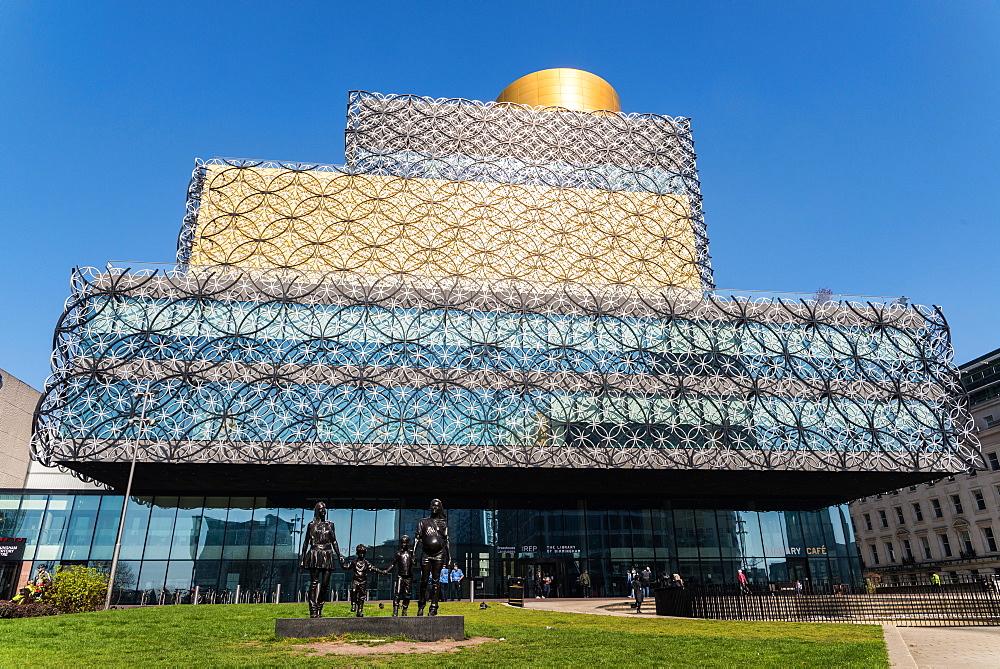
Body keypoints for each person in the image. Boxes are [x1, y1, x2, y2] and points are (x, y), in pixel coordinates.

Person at [299, 501, 344, 618]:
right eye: (321, 509)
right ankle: (313, 609)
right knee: (314, 583)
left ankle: (320, 607)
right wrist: (302, 558)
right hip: (315, 553)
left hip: (327, 554)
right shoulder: (311, 525)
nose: (323, 510)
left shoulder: (330, 525)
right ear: (317, 511)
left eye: (324, 508)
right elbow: (305, 542)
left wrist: (339, 555)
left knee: (325, 584)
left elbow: (334, 541)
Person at [415, 498, 450, 616]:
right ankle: (421, 604)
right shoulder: (423, 522)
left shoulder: (443, 523)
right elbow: (417, 538)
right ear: (430, 507)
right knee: (424, 581)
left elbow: (446, 540)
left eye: (437, 506)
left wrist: (449, 558)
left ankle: (434, 606)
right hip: (426, 553)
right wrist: (413, 553)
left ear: (440, 508)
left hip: (439, 554)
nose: (434, 508)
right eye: (433, 506)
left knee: (436, 581)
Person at [342, 543, 388, 617]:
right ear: (357, 553)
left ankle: (360, 610)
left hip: (363, 581)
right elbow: (346, 567)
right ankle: (353, 604)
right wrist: (342, 563)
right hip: (355, 580)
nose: (362, 555)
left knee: (362, 596)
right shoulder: (354, 562)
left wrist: (382, 572)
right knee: (353, 591)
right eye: (360, 553)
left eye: (363, 553)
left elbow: (373, 568)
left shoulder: (366, 563)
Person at [385, 534, 414, 616]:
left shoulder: (411, 553)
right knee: (397, 593)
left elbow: (415, 563)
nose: (403, 544)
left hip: (408, 576)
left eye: (405, 543)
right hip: (400, 576)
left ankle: (404, 609)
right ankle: (395, 609)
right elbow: (393, 564)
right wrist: (387, 570)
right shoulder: (398, 554)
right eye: (402, 543)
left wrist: (413, 557)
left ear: (408, 543)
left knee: (407, 594)